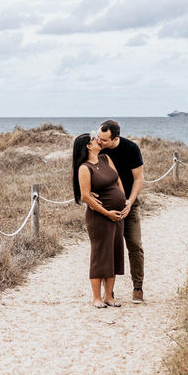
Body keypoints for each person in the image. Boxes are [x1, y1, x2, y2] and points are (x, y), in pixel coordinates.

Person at [71, 132, 127, 308]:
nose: (98, 140)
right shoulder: (84, 168)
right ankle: (96, 297)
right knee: (100, 255)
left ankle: (109, 296)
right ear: (88, 146)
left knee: (114, 252)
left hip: (117, 215)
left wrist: (124, 201)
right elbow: (86, 197)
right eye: (95, 139)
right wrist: (107, 213)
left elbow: (118, 180)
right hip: (99, 217)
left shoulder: (105, 159)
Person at [95, 120, 145, 303]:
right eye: (98, 137)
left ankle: (138, 287)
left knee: (134, 245)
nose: (99, 141)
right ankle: (109, 292)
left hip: (129, 205)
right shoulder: (96, 147)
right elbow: (85, 170)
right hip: (105, 206)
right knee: (107, 249)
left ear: (115, 138)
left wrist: (130, 202)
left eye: (104, 140)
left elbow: (138, 179)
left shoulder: (131, 149)